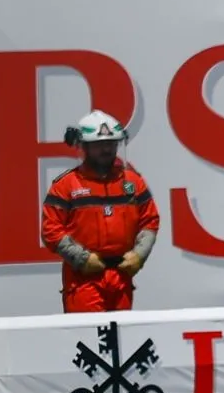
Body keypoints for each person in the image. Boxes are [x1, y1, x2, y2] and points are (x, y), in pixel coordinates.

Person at [42, 110, 159, 313]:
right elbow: (50, 230)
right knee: (87, 337)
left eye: (111, 143)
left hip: (122, 274)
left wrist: (139, 256)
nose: (106, 149)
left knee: (121, 338)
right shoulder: (66, 185)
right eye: (99, 144)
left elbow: (150, 221)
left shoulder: (133, 182)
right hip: (82, 279)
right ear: (83, 146)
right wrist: (81, 258)